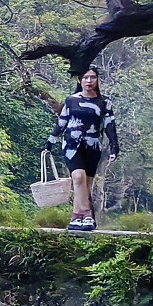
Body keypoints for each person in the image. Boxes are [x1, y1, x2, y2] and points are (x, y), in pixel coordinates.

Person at [50, 67, 118, 232]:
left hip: (93, 146)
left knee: (86, 183)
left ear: (97, 80)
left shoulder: (104, 102)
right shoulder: (71, 100)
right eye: (86, 77)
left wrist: (114, 145)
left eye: (92, 77)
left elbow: (110, 125)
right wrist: (51, 140)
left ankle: (76, 217)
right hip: (72, 145)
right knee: (78, 177)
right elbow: (62, 121)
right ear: (80, 80)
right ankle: (87, 214)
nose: (89, 81)